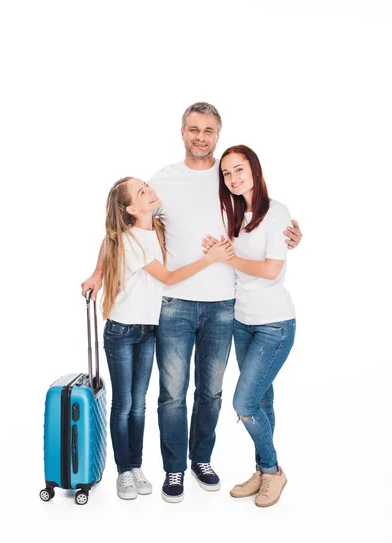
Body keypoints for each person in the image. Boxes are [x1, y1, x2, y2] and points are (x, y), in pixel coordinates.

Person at [82, 102, 302, 503]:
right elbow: (123, 227)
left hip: (225, 306)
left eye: (209, 131)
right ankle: (173, 469)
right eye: (193, 129)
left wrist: (292, 234)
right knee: (171, 393)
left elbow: (264, 219)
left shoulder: (229, 179)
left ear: (218, 135)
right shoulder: (163, 180)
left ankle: (201, 459)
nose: (201, 137)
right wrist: (99, 272)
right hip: (175, 304)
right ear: (182, 132)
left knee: (212, 393)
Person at [101, 175, 233, 500]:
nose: (151, 191)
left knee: (139, 406)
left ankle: (136, 466)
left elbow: (108, 239)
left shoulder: (154, 228)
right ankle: (123, 471)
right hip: (122, 330)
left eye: (147, 186)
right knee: (125, 404)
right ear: (131, 208)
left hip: (148, 330)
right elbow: (170, 277)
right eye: (142, 191)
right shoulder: (132, 239)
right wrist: (210, 258)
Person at [202, 144, 296, 508]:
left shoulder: (277, 212)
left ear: (255, 171)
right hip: (243, 323)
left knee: (244, 403)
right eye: (226, 173)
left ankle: (272, 471)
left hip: (275, 325)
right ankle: (263, 470)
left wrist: (232, 258)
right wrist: (221, 255)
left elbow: (272, 269)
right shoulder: (238, 217)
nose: (233, 178)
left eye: (239, 170)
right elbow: (237, 263)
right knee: (262, 400)